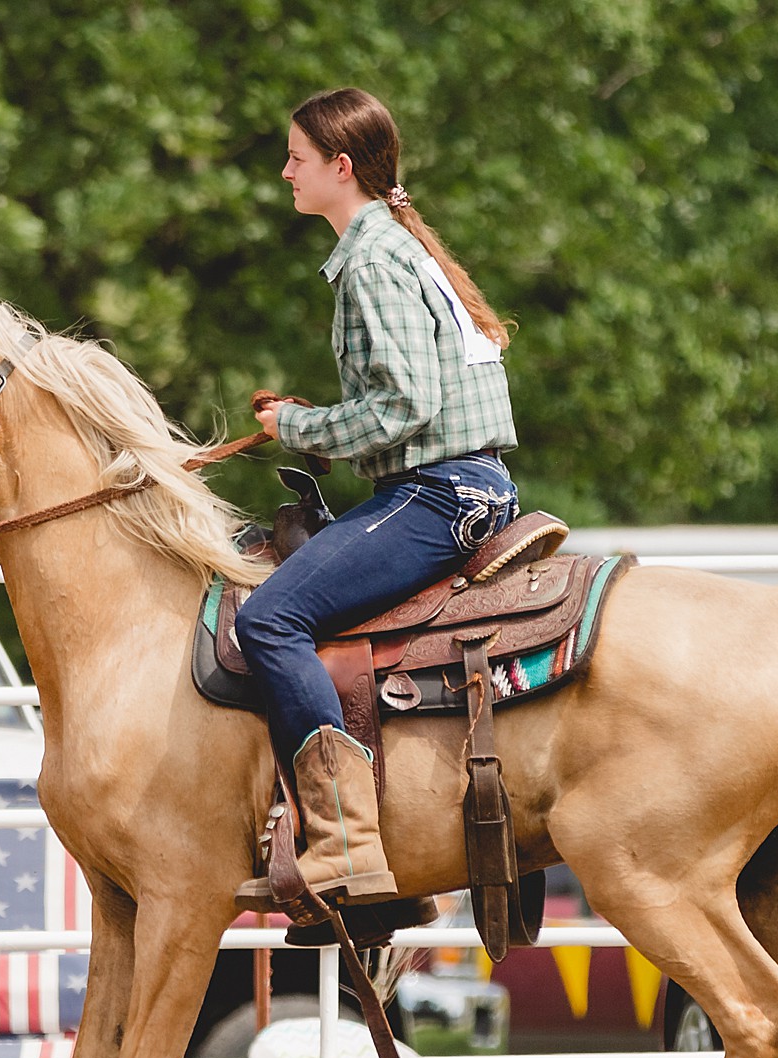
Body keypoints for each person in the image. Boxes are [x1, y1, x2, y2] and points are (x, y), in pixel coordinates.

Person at [236, 87, 521, 906]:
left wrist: (298, 425)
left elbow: (406, 405)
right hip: (461, 482)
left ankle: (348, 842)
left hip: (439, 492)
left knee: (269, 618)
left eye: (296, 157)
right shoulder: (398, 246)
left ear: (340, 166)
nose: (284, 170)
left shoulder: (370, 259)